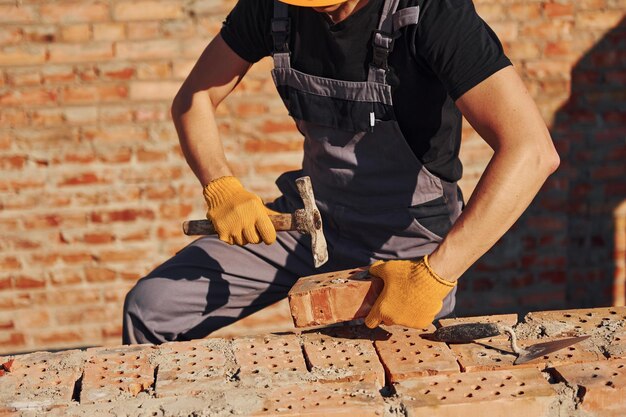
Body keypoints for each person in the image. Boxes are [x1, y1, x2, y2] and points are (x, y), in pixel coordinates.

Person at [122, 0, 560, 344]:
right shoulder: (274, 7)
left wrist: (435, 274)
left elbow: (532, 151)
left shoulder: (430, 13)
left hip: (407, 245)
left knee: (391, 372)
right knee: (152, 307)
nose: (320, 12)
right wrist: (221, 185)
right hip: (311, 221)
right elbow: (194, 100)